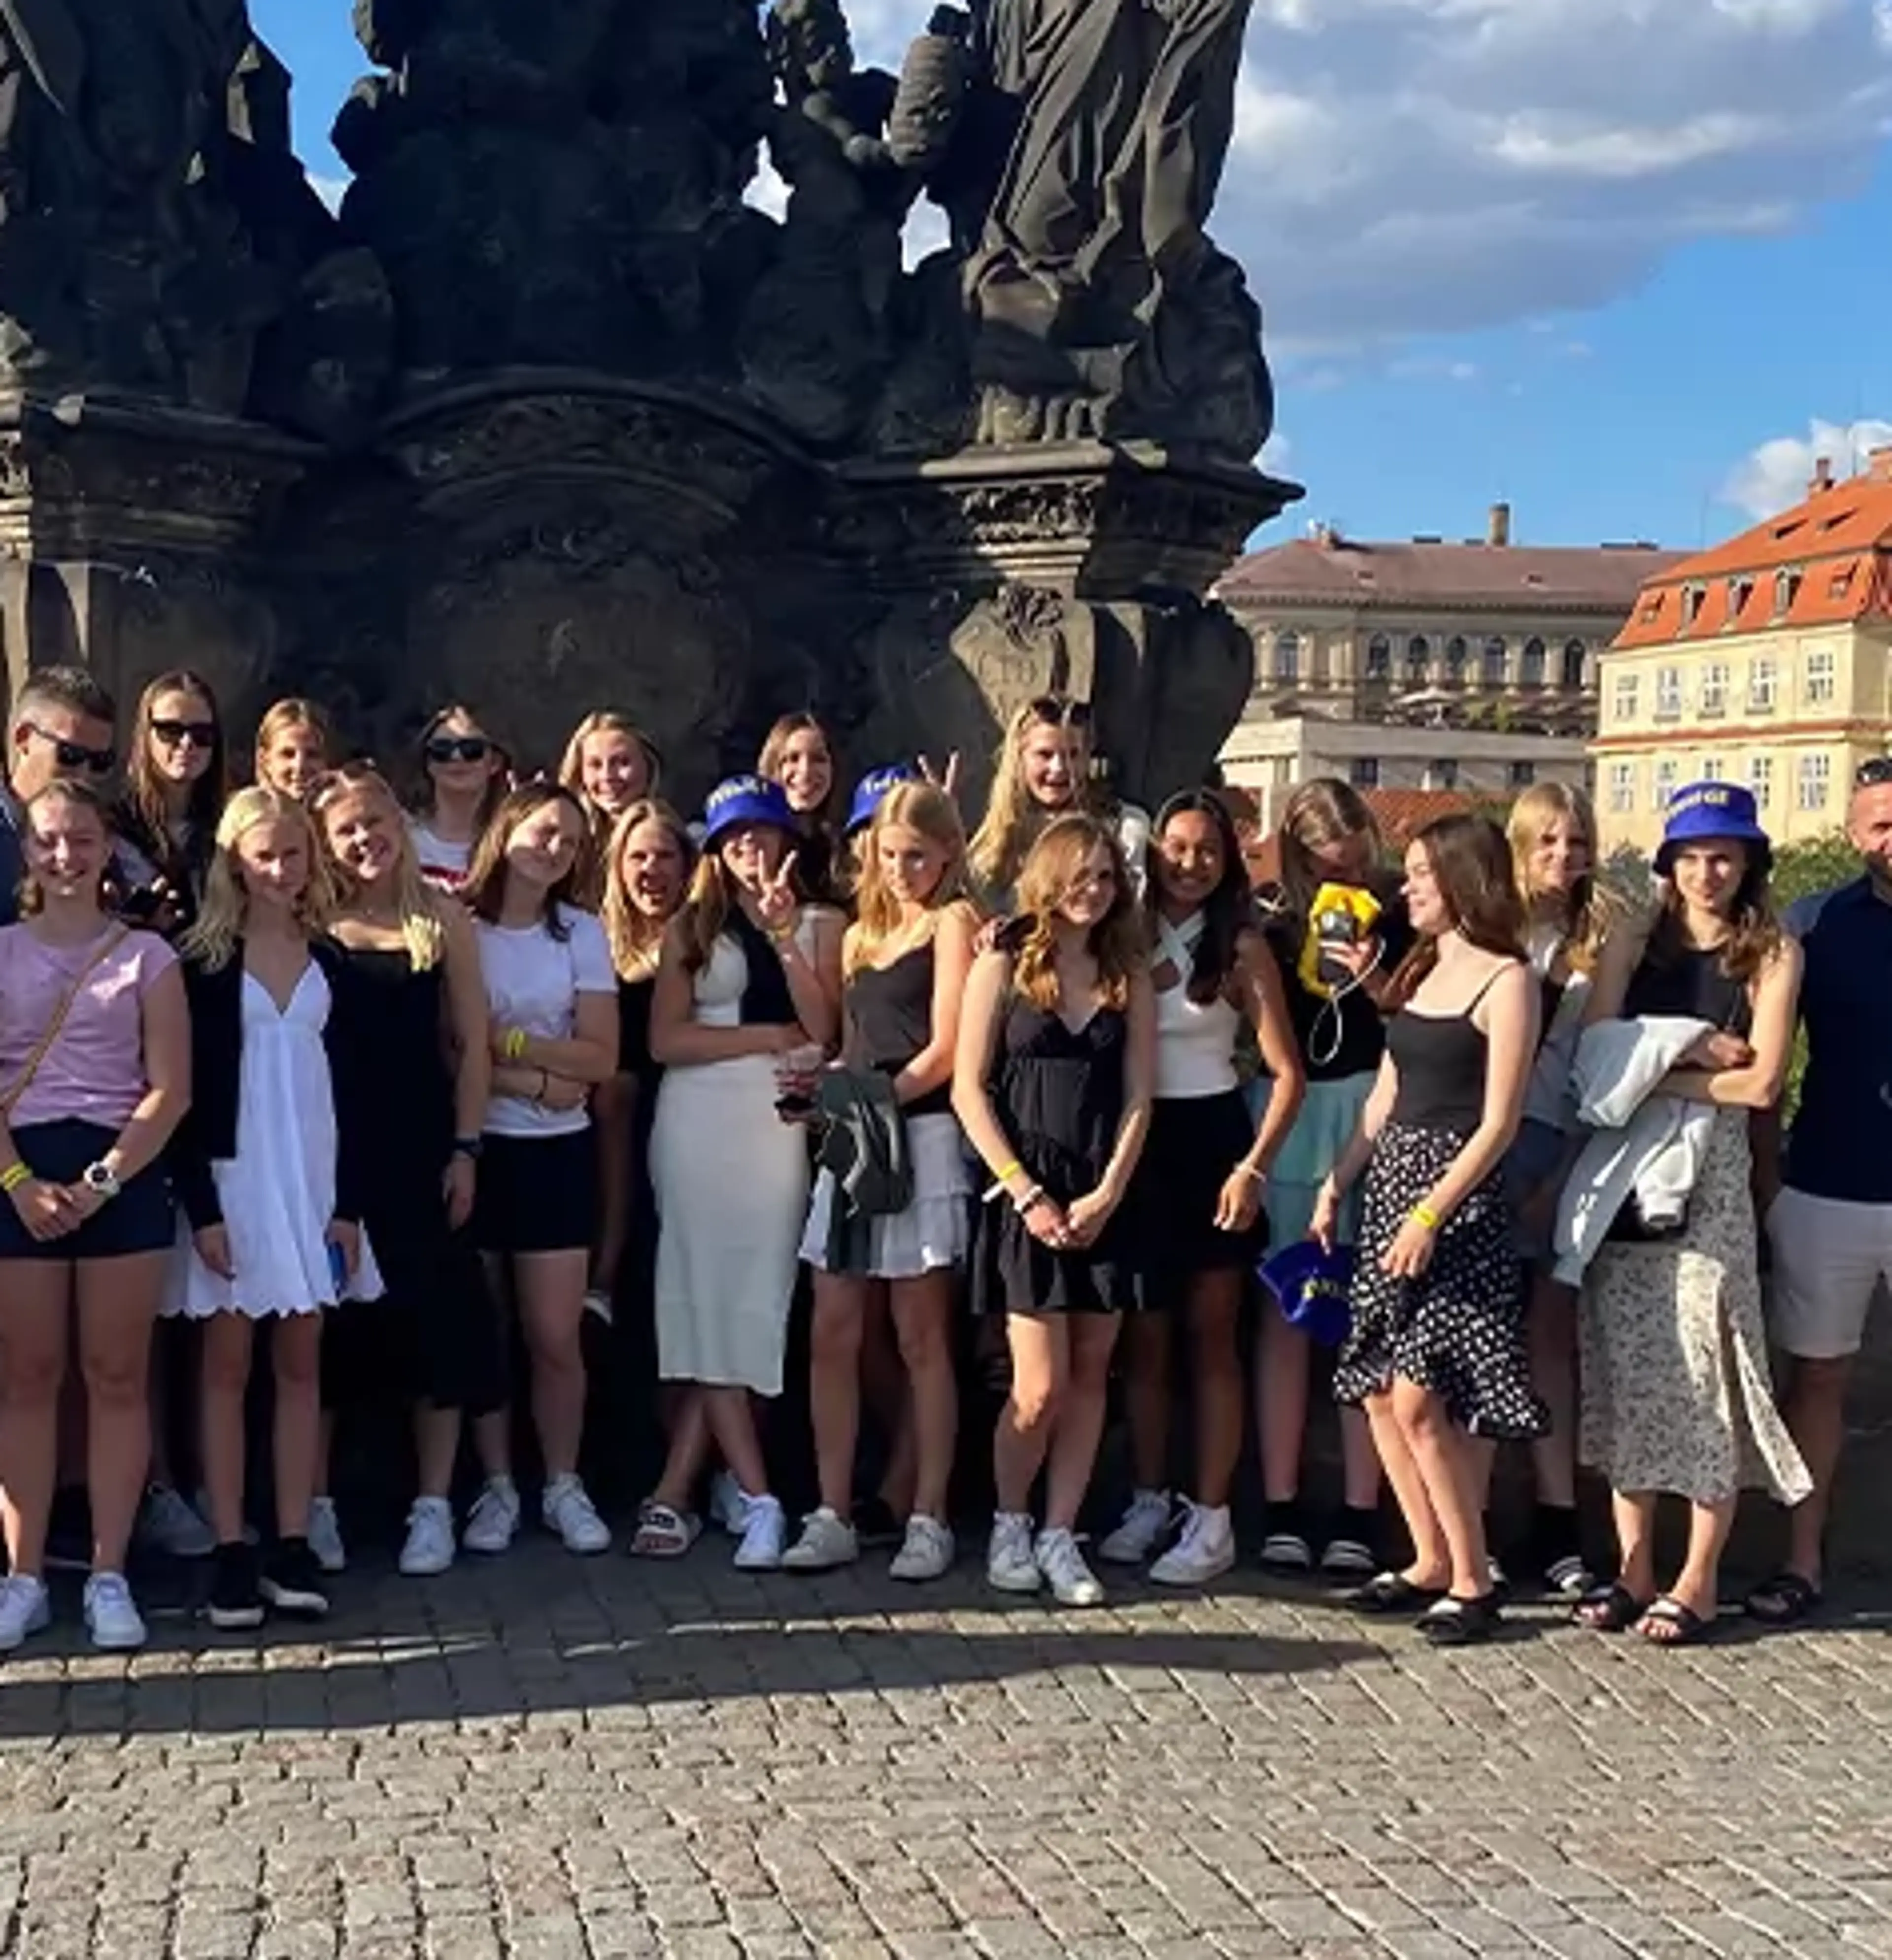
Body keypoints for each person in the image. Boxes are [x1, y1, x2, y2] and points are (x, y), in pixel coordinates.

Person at [1568, 783, 1809, 1645]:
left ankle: (1698, 1576)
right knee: (1628, 1364)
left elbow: (1762, 1083)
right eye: (1693, 856)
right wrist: (1694, 1051)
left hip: (1711, 1180)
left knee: (1710, 1366)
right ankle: (1634, 1564)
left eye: (1724, 857)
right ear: (1669, 863)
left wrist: (1650, 1071)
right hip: (1627, 1173)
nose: (1707, 873)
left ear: (1747, 864)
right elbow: (1593, 1065)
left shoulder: (1771, 951)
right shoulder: (1635, 936)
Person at [1315, 813, 1542, 1647]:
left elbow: (1500, 1122)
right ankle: (1428, 1559)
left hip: (1455, 1204)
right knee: (1378, 1388)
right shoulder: (1417, 966)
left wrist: (1428, 1212)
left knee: (1420, 1398)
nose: (1404, 888)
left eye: (1418, 873)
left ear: (1461, 879)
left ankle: (1476, 1578)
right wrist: (1336, 1181)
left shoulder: (1508, 978)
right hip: (1392, 1188)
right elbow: (1385, 1093)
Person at [171, 787, 382, 1630]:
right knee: (225, 1366)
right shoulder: (202, 963)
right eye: (264, 854)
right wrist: (205, 1208)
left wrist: (350, 1207)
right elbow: (183, 1096)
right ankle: (231, 1543)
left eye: (293, 854)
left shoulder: (331, 961)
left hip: (315, 1184)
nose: (280, 869)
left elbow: (360, 1093)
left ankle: (293, 1536)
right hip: (235, 1182)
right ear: (235, 860)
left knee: (302, 1361)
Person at [0, 779, 190, 1652]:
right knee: (27, 1380)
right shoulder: (1, 951)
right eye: (49, 841)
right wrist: (16, 1181)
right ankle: (26, 1573)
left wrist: (107, 1176)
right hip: (19, 1175)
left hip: (120, 1173)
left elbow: (170, 1087)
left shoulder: (147, 957)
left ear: (107, 848)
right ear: (28, 851)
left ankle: (110, 1570)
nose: (66, 856)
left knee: (117, 1375)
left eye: (81, 839)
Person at [1102, 790, 1305, 1586]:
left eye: (1208, 850)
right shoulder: (1127, 933)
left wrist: (1253, 1165)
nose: (1191, 863)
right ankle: (1150, 1496)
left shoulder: (1243, 945)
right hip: (1140, 1142)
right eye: (1177, 848)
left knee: (1211, 1338)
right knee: (1144, 1339)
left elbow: (1287, 1072)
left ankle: (1212, 1513)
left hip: (1216, 1139)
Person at [955, 814, 1155, 1608]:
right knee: (1036, 1384)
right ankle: (1010, 1518)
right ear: (1048, 877)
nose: (1095, 892)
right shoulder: (1003, 959)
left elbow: (1142, 1092)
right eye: (1082, 876)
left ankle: (1060, 1530)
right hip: (1026, 1186)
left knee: (1089, 1375)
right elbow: (970, 1087)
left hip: (1104, 1187)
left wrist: (1110, 1190)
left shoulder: (1125, 971)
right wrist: (1024, 1188)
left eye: (1107, 878)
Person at [310, 765, 504, 1579]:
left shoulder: (442, 919)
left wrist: (466, 1148)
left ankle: (433, 1502)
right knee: (326, 1336)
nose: (364, 839)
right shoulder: (310, 922)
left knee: (436, 1323)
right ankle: (314, 1500)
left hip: (423, 1146)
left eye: (374, 821)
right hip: (328, 1150)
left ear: (399, 821)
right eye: (346, 829)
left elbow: (471, 1046)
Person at [645, 775, 842, 1569]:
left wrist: (785, 933)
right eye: (734, 840)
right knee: (698, 1298)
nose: (749, 851)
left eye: (761, 835)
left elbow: (823, 1030)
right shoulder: (690, 927)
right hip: (697, 1120)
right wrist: (763, 1037)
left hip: (775, 1128)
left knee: (755, 1305)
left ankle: (688, 1488)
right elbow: (666, 1039)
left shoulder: (821, 923)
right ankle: (758, 1498)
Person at [784, 781, 978, 1582]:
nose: (902, 870)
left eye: (918, 857)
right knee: (834, 1327)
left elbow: (945, 1047)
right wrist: (825, 1083)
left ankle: (929, 1512)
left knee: (919, 1335)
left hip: (920, 1132)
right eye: (890, 855)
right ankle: (832, 1506)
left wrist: (863, 1098)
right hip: (857, 1132)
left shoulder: (954, 921)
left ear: (946, 855)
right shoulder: (863, 932)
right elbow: (849, 1036)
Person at [1749, 759, 1892, 1624]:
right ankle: (1802, 1560)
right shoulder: (1814, 923)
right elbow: (1766, 1070)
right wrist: (1771, 1190)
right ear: (1852, 833)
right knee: (1817, 1381)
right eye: (1880, 823)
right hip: (1828, 1183)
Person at [461, 783, 620, 1557]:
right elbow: (456, 1048)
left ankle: (562, 1481)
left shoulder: (582, 933)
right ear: (509, 827)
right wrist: (539, 1080)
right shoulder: (462, 926)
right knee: (484, 1328)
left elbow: (600, 1055)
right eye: (544, 831)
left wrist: (515, 1051)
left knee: (554, 1333)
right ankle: (497, 1485)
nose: (553, 849)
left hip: (559, 1150)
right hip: (482, 1145)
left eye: (570, 841)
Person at [1252, 779, 1405, 1576]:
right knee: (1287, 1309)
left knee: (1358, 1312)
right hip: (1291, 1110)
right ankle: (1279, 1501)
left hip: (1369, 1109)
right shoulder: (1271, 920)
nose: (1343, 880)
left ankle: (1361, 1506)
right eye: (1326, 866)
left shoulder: (1396, 915)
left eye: (1354, 862)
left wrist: (1377, 976)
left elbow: (1415, 1021)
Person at [1490, 782, 1612, 1598]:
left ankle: (1558, 1518)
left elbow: (1599, 1063)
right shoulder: (1489, 926)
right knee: (1480, 1335)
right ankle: (1478, 1524)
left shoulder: (1598, 938)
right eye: (1550, 843)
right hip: (1486, 1141)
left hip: (1561, 1140)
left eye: (1577, 845)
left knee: (1549, 1340)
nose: (1565, 858)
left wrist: (1566, 1168)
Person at [593, 799, 696, 1525]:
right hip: (616, 1149)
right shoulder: (596, 947)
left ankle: (699, 1471)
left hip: (698, 1135)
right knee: (635, 1314)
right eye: (638, 857)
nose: (651, 870)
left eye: (665, 856)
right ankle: (641, 1470)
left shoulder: (706, 944)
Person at [967, 696, 1149, 915]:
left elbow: (1129, 913)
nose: (1060, 768)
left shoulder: (1124, 826)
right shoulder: (993, 832)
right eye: (1045, 755)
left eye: (1073, 754)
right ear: (1019, 757)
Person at [0, 666, 121, 930]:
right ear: (24, 740)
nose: (83, 775)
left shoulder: (100, 838)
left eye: (100, 762)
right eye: (71, 755)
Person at [111, 668, 229, 938]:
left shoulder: (230, 823)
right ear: (145, 735)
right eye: (171, 730)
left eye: (202, 734)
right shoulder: (111, 827)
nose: (188, 744)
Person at [559, 710, 663, 906]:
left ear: (648, 766)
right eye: (595, 765)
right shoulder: (567, 843)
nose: (607, 776)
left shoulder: (677, 839)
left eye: (622, 762)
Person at [410, 704, 507, 894]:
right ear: (428, 763)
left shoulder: (512, 841)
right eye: (442, 750)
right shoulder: (402, 839)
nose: (456, 757)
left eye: (472, 750)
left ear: (495, 762)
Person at [759, 711, 846, 909]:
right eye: (792, 758)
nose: (806, 770)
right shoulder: (754, 846)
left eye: (819, 759)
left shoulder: (845, 849)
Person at [254, 699, 334, 803]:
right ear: (264, 760)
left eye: (312, 755)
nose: (300, 766)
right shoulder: (244, 817)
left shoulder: (348, 816)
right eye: (288, 754)